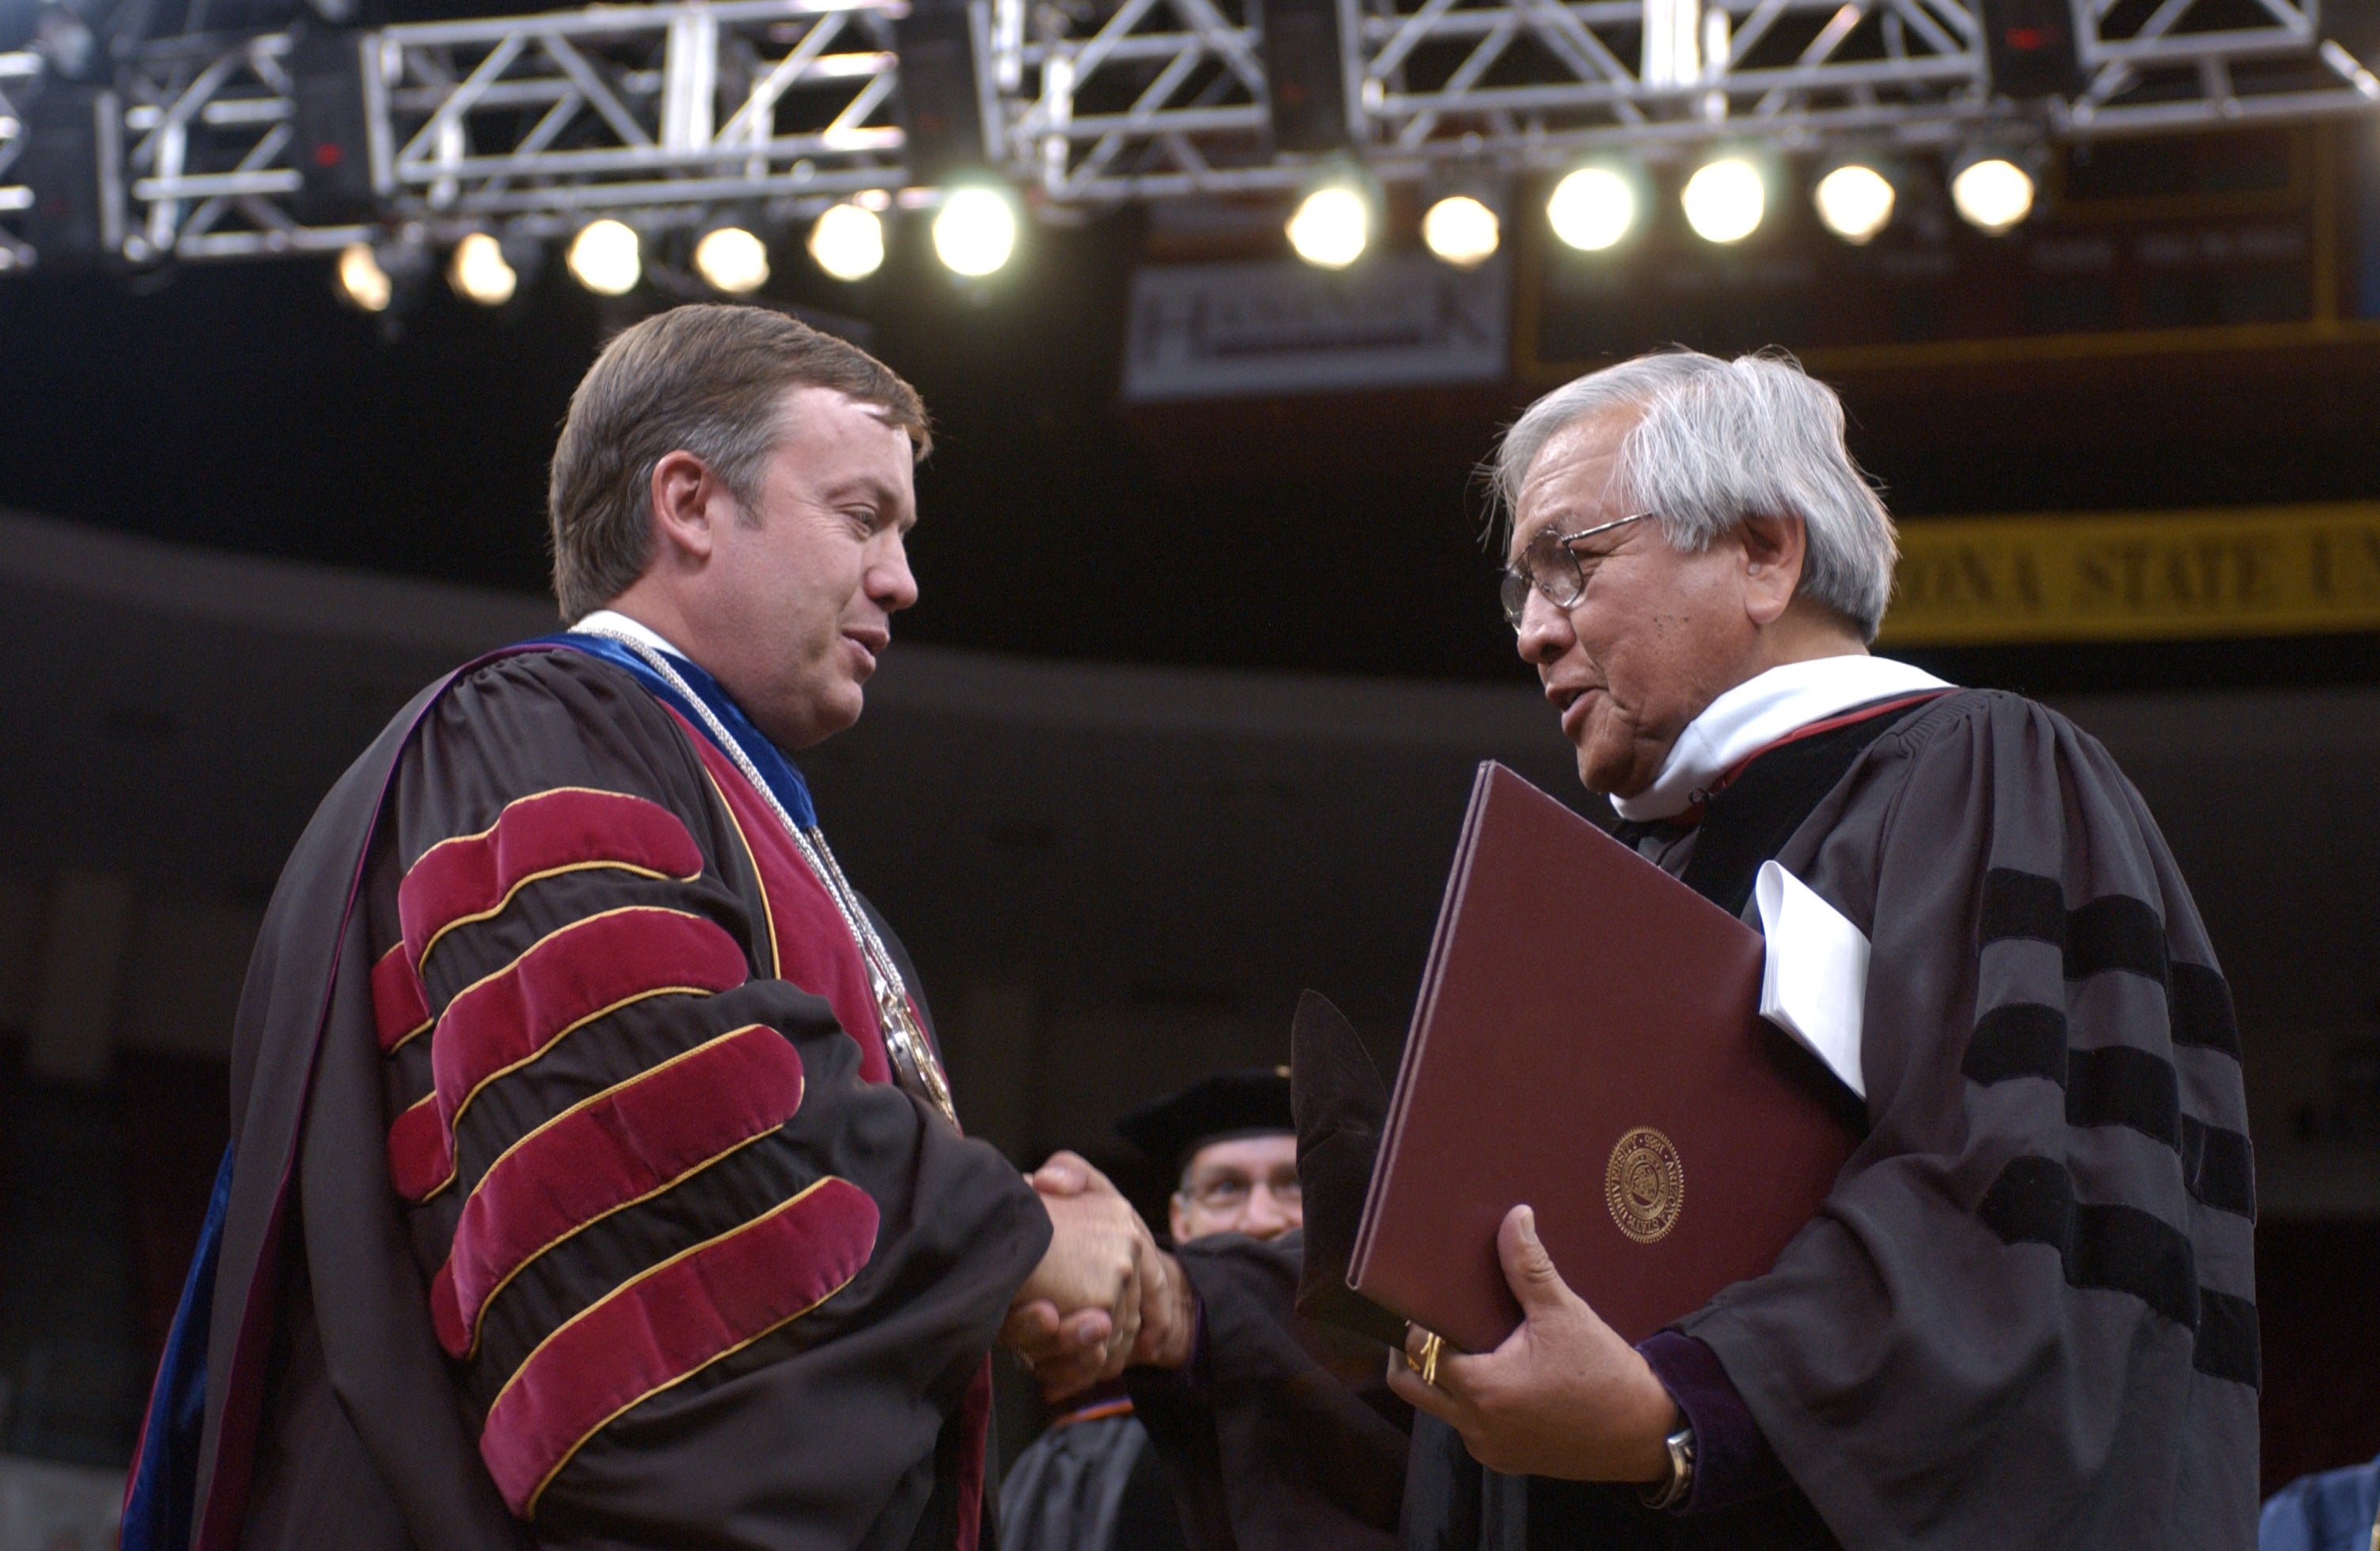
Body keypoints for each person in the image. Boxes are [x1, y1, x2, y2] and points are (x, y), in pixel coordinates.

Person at [1127, 348, 2262, 1549]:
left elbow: (2018, 1213)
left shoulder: (1982, 775)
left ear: (1765, 553)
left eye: (1572, 562)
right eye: (1518, 589)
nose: (1533, 635)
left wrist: (1685, 1409)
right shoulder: (1633, 887)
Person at [119, 304, 1162, 1551]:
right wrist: (1018, 1237)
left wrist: (1006, 1264)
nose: (901, 578)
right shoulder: (530, 736)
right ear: (689, 503)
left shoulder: (748, 818)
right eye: (860, 517)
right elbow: (664, 1119)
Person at [998, 1068, 1304, 1551]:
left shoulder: (1412, 1429)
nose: (1262, 1219)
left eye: (1293, 1185)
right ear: (1180, 1220)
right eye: (1226, 1188)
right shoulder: (1082, 1468)